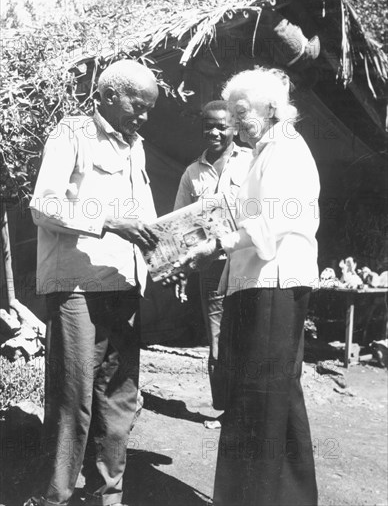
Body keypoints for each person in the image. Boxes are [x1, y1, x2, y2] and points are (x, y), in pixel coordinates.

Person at [179, 68, 319, 506]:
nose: (236, 123)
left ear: (272, 107)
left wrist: (217, 243)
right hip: (253, 285)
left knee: (264, 399)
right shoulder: (264, 153)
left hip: (273, 285)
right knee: (265, 397)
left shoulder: (287, 150)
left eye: (242, 112)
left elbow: (272, 223)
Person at [25, 60, 159, 506]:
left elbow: (145, 222)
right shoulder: (72, 133)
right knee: (73, 397)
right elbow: (43, 205)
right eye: (136, 106)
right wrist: (106, 221)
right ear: (106, 96)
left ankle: (107, 495)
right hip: (78, 286)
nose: (142, 117)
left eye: (148, 110)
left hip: (123, 284)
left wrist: (174, 247)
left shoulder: (136, 147)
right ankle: (54, 496)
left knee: (119, 398)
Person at [174, 100, 252, 422]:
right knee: (218, 338)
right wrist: (181, 268)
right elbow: (180, 227)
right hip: (212, 266)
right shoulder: (192, 174)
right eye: (210, 126)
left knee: (249, 332)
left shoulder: (252, 161)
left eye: (223, 126)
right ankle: (225, 409)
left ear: (235, 127)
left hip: (249, 262)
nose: (216, 132)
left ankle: (248, 409)